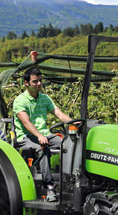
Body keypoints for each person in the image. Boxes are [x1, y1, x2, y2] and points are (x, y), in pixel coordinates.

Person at [13, 67, 73, 202]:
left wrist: (76, 124)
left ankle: (69, 182)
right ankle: (49, 187)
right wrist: (39, 136)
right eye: (35, 81)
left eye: (40, 81)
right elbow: (26, 123)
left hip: (45, 134)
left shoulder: (45, 98)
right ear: (26, 83)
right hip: (26, 136)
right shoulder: (20, 101)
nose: (39, 84)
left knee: (70, 144)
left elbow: (59, 114)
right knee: (43, 147)